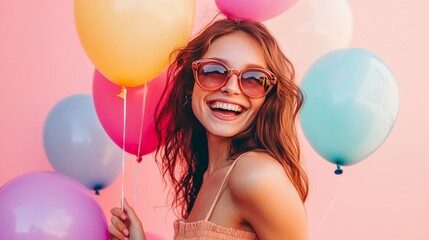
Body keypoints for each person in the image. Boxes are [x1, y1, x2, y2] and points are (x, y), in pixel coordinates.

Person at [109, 18, 309, 240]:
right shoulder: (209, 173)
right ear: (190, 86)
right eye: (214, 71)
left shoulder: (256, 175)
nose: (231, 88)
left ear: (267, 98)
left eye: (253, 79)